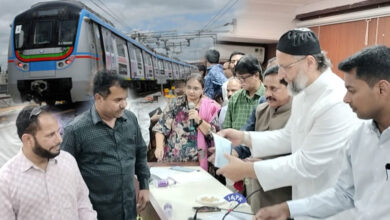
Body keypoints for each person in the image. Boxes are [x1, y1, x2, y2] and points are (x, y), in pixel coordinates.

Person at [217, 28, 358, 220]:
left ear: (310, 62)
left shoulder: (336, 100)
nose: (281, 75)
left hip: (333, 208)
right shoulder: (301, 90)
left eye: (286, 67)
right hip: (304, 201)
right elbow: (289, 135)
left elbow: (307, 164)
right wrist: (244, 137)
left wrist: (247, 169)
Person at [255, 45, 390, 220]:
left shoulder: (333, 104)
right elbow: (343, 195)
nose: (345, 98)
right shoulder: (360, 136)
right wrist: (288, 209)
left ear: (382, 89)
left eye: (351, 90)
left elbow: (307, 162)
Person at [61, 71, 150, 220]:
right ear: (98, 98)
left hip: (128, 210)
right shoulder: (76, 130)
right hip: (97, 213)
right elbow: (63, 175)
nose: (124, 105)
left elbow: (140, 153)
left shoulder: (130, 120)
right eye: (117, 100)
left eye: (125, 99)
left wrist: (144, 186)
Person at [0, 105, 97, 220]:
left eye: (58, 132)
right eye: (51, 135)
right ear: (28, 139)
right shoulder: (6, 181)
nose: (59, 140)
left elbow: (83, 205)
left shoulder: (68, 161)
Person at [242, 65, 292, 213]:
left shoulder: (298, 115)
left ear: (290, 88)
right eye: (266, 88)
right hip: (256, 190)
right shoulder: (261, 110)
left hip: (281, 198)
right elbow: (248, 140)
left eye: (274, 88)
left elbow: (299, 160)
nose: (267, 94)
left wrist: (264, 165)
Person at [153, 73, 220, 170]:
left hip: (199, 159)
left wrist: (199, 120)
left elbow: (213, 135)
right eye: (189, 87)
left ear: (203, 90)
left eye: (196, 88)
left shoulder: (210, 106)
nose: (191, 91)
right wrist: (159, 147)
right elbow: (161, 127)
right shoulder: (175, 103)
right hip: (174, 158)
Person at [223, 54, 265, 130]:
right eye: (239, 78)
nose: (241, 81)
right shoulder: (235, 97)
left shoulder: (267, 97)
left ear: (256, 75)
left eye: (243, 78)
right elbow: (227, 128)